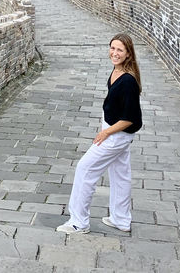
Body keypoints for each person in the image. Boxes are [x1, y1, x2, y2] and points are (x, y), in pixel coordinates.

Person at [57, 32, 142, 235]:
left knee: (85, 169)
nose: (114, 53)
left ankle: (79, 222)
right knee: (120, 175)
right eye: (112, 48)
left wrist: (106, 133)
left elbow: (131, 118)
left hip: (117, 136)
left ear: (128, 54)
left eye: (120, 50)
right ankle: (121, 219)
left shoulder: (128, 81)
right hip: (114, 131)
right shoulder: (116, 71)